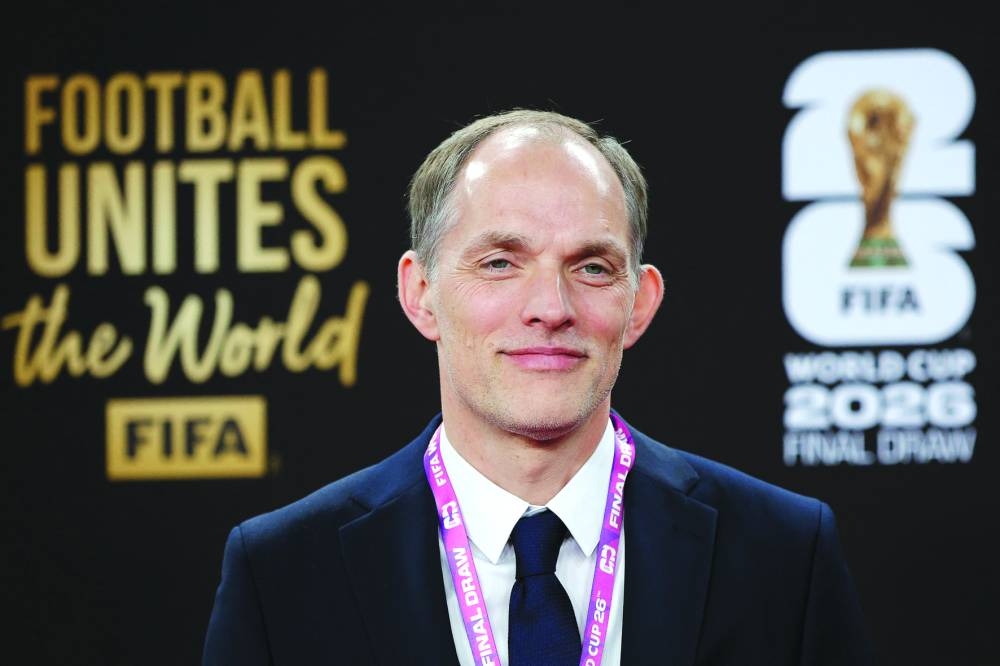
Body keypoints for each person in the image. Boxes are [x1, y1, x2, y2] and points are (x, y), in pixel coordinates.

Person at [203, 109, 872, 665]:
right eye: (500, 262)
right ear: (421, 293)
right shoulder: (283, 574)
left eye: (591, 266)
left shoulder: (785, 556)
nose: (550, 306)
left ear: (640, 303)